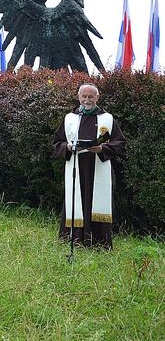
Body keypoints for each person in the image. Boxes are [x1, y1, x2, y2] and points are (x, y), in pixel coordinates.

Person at [53, 83, 126, 249]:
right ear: (78, 97)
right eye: (84, 96)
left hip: (98, 166)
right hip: (76, 166)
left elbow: (119, 141)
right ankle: (74, 239)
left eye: (91, 97)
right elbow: (57, 142)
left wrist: (102, 148)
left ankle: (99, 241)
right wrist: (68, 147)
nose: (87, 100)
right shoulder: (70, 118)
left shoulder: (107, 118)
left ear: (97, 97)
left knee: (96, 200)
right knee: (76, 199)